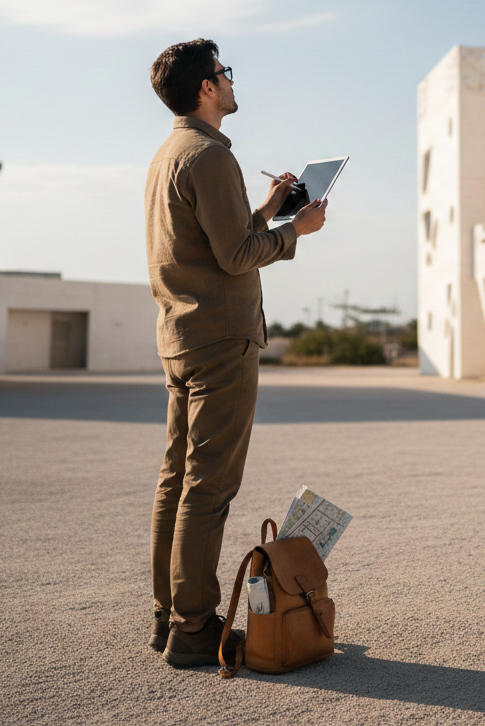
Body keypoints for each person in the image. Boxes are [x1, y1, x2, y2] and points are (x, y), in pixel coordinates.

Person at [144, 38, 327, 668]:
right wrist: (293, 232)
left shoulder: (171, 154)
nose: (229, 79)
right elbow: (236, 257)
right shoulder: (212, 157)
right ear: (206, 89)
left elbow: (216, 237)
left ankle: (169, 617)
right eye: (224, 72)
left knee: (177, 482)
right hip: (222, 340)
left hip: (182, 336)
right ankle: (195, 631)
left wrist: (271, 207)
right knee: (209, 488)